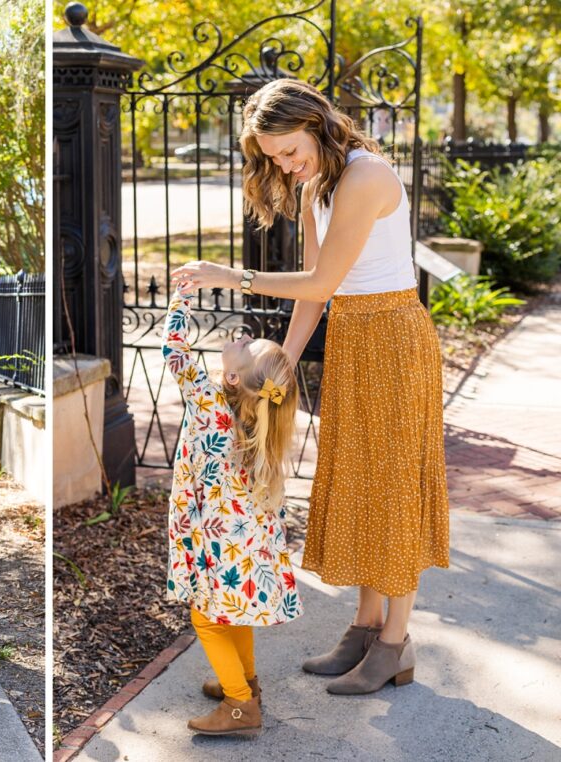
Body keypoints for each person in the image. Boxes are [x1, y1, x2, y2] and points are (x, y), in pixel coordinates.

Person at [171, 79, 449, 695]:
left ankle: (396, 645)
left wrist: (230, 275)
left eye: (290, 151)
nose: (287, 165)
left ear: (317, 122)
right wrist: (286, 362)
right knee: (358, 479)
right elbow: (320, 293)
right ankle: (365, 625)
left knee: (394, 487)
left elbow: (322, 275)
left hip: (394, 338)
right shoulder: (319, 182)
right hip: (353, 337)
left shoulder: (366, 175)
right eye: (275, 158)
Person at [162, 286, 302, 736]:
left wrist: (182, 298)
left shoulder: (207, 404)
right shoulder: (257, 422)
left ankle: (240, 706)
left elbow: (175, 348)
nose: (240, 338)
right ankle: (244, 684)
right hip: (247, 538)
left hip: (218, 536)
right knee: (230, 612)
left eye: (245, 347)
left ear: (234, 380)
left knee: (206, 616)